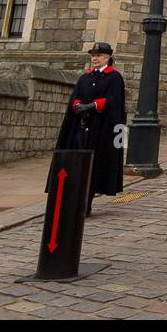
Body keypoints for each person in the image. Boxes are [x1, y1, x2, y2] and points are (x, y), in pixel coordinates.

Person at [53, 42, 127, 216]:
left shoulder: (114, 77)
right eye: (93, 55)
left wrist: (92, 105)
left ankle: (86, 203)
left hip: (101, 130)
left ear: (108, 57)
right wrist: (78, 105)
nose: (95, 58)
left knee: (94, 166)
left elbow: (113, 100)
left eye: (99, 55)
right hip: (81, 128)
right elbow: (76, 96)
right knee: (77, 163)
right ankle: (73, 201)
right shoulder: (85, 77)